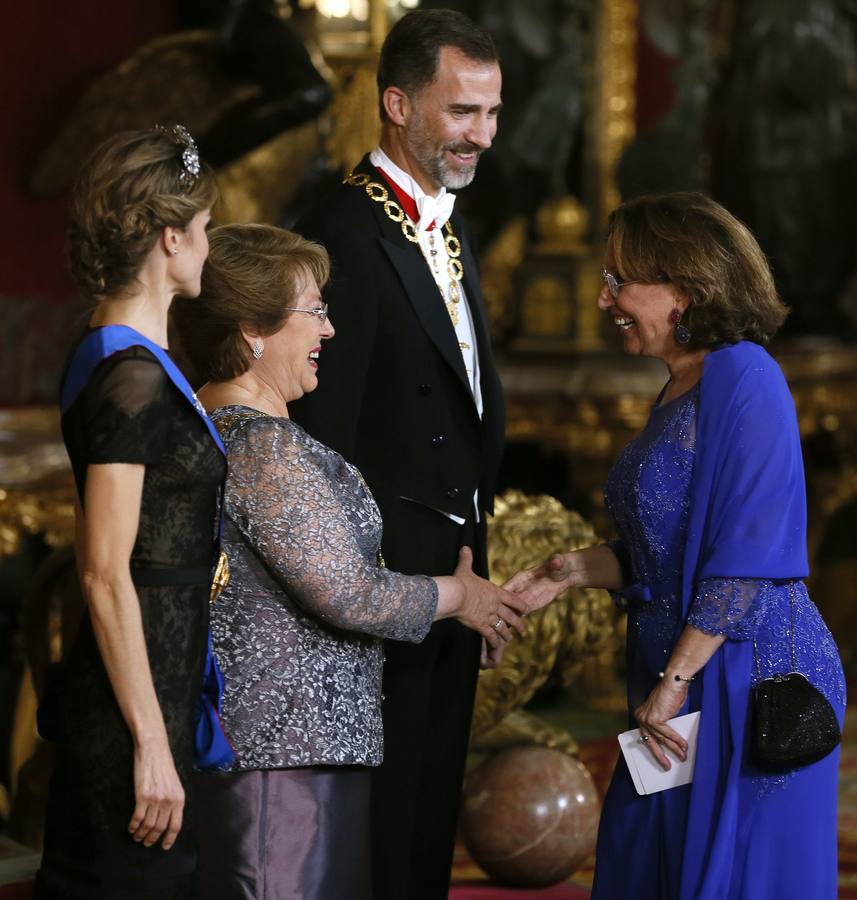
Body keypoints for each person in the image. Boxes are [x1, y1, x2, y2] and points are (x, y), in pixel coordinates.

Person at [171, 222, 530, 900]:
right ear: (253, 328)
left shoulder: (224, 433)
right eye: (315, 310)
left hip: (288, 752)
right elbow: (349, 593)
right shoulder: (265, 448)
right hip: (284, 760)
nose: (329, 331)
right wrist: (460, 596)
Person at [506, 192, 846, 899]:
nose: (603, 301)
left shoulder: (744, 374)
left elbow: (744, 559)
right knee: (646, 857)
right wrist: (573, 570)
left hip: (747, 677)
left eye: (617, 281)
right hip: (682, 672)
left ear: (684, 288)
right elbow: (661, 550)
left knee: (725, 875)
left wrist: (673, 683)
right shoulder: (676, 387)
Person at [290, 10, 505, 897]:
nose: (481, 135)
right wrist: (370, 589)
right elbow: (321, 440)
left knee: (425, 825)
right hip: (377, 587)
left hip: (449, 571)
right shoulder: (342, 230)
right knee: (374, 836)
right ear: (396, 104)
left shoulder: (449, 223)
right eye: (461, 112)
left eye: (491, 113)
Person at [36, 126, 223, 900]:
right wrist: (149, 744)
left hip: (155, 692)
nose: (210, 248)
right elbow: (104, 572)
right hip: (127, 717)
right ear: (170, 237)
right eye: (206, 229)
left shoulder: (128, 358)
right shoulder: (129, 376)